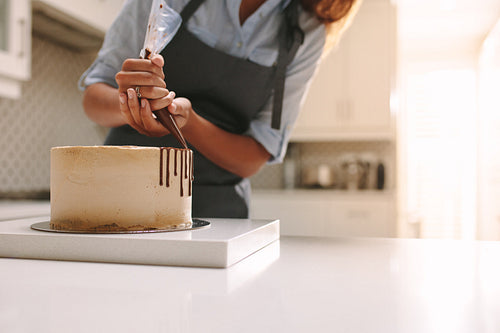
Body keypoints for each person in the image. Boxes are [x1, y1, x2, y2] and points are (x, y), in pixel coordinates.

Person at [79, 0, 359, 218]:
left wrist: (188, 122)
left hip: (216, 213)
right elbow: (93, 100)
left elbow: (254, 156)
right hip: (121, 198)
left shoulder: (304, 34)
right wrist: (133, 103)